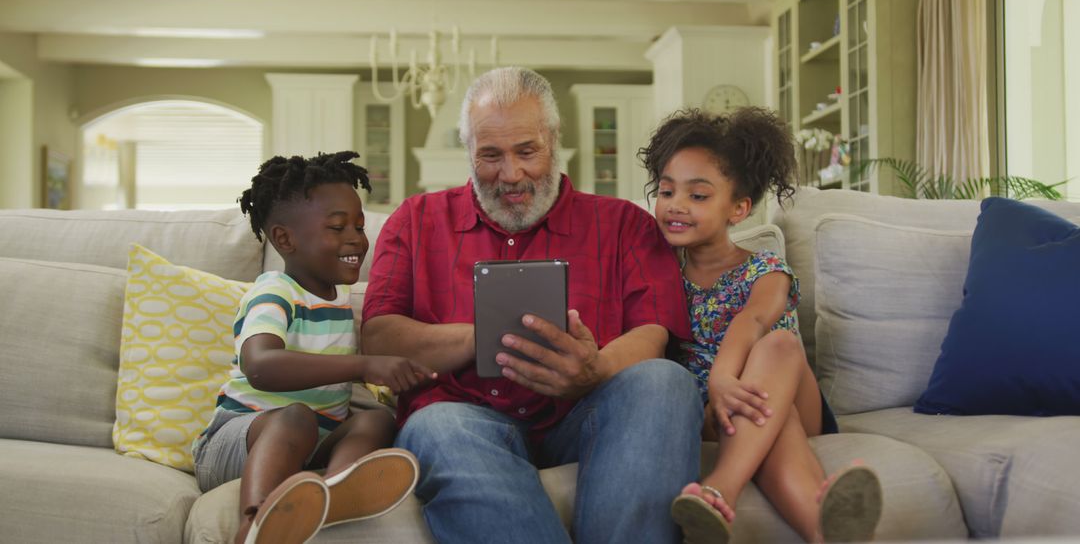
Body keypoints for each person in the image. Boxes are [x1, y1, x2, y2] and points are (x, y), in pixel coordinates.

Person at [360, 67, 702, 543]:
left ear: (553, 141)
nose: (512, 174)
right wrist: (486, 335)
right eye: (490, 156)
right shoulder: (415, 221)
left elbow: (654, 333)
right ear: (468, 153)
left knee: (666, 380)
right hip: (462, 415)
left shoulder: (625, 224)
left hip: (585, 412)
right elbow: (378, 338)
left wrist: (596, 369)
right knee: (436, 424)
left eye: (527, 151)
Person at [641, 108, 883, 543]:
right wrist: (716, 391)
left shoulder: (767, 271)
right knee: (773, 418)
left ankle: (719, 489)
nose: (675, 205)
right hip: (714, 415)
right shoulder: (662, 276)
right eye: (666, 191)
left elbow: (752, 322)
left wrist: (723, 377)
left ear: (739, 208)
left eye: (698, 196)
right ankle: (824, 530)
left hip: (781, 395)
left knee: (779, 347)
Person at [192, 151, 436, 544]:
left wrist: (390, 382)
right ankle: (254, 523)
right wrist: (363, 366)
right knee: (296, 417)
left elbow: (340, 377)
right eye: (338, 227)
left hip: (312, 443)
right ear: (285, 239)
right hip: (237, 443)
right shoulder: (275, 291)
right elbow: (261, 365)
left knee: (376, 421)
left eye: (358, 225)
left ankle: (336, 492)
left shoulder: (339, 302)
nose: (356, 237)